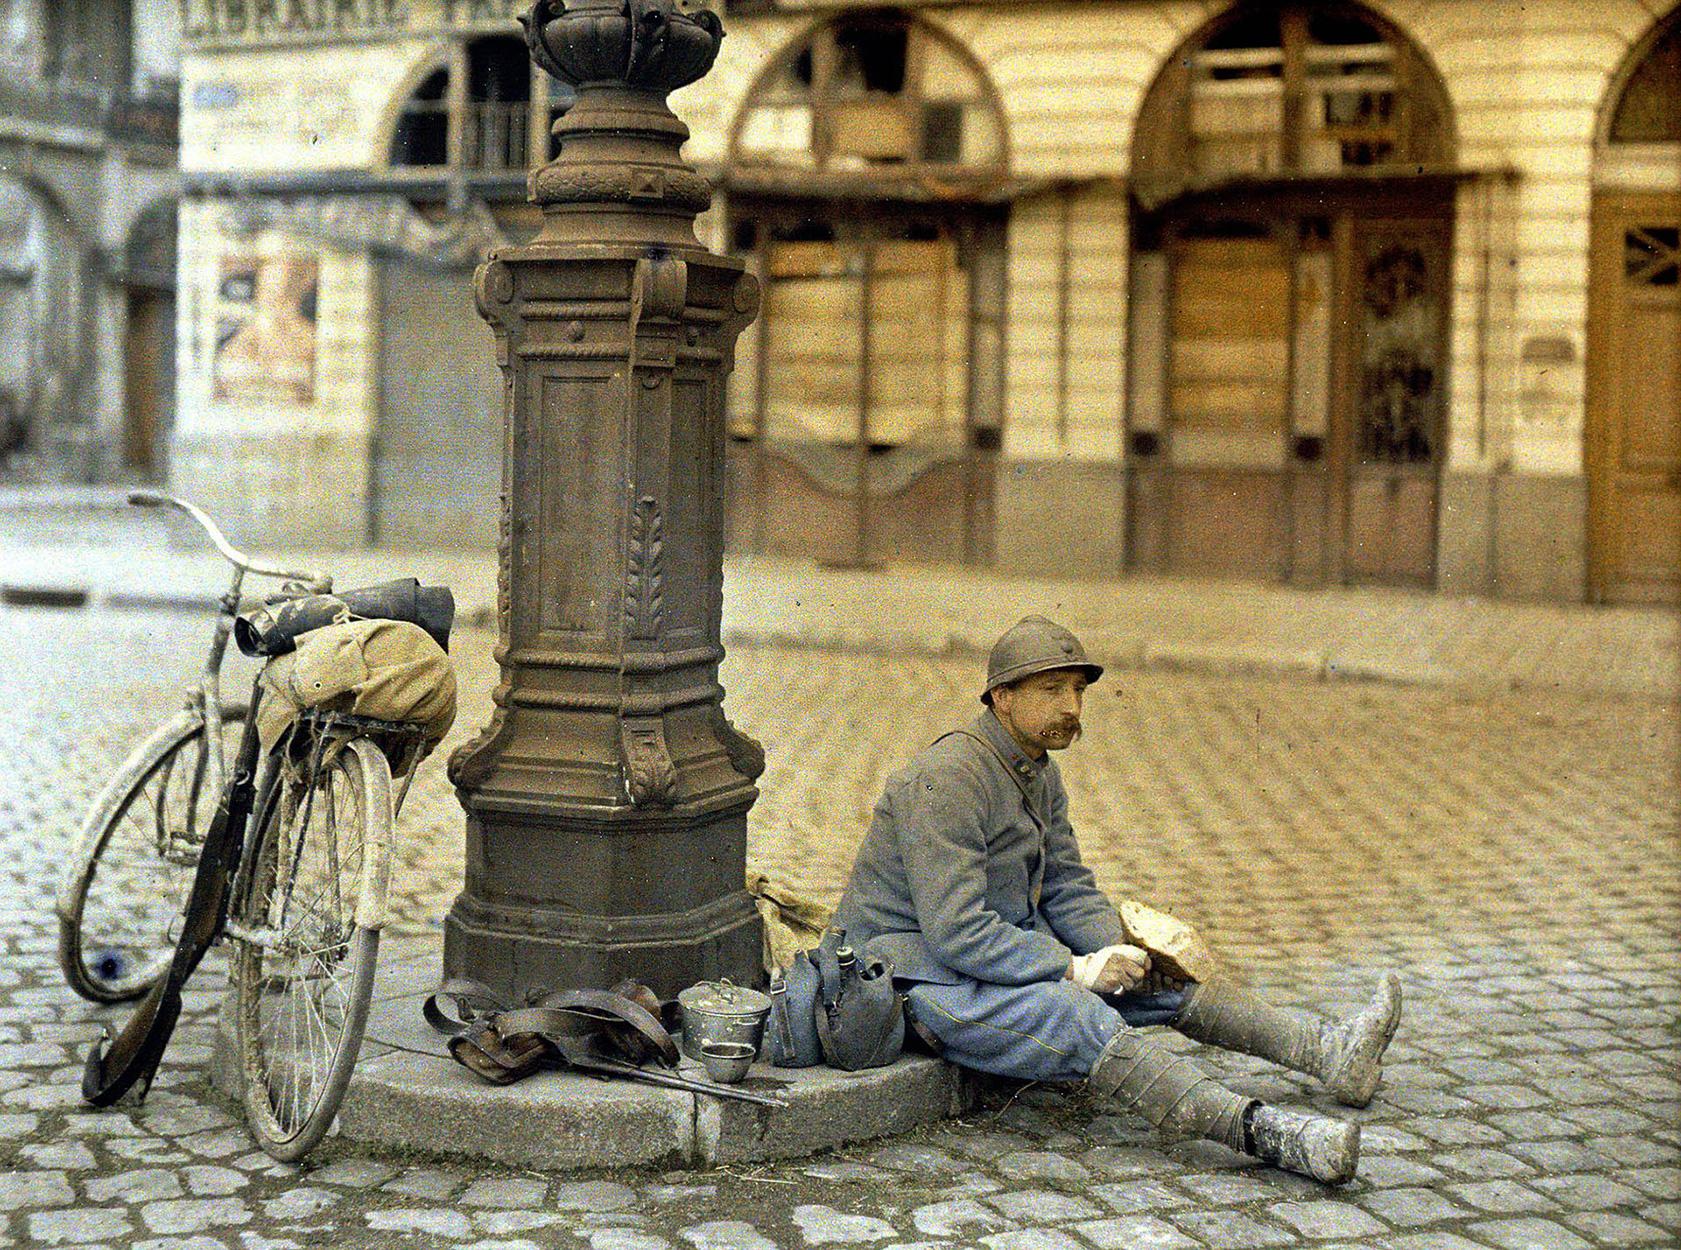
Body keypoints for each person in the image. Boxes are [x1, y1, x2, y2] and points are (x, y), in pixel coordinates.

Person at [831, 615, 1402, 1184]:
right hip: (910, 983)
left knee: (1162, 985)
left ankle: (1331, 1053)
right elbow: (956, 932)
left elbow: (1065, 885)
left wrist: (1124, 954)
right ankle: (1269, 1134)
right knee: (1078, 1015)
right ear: (1002, 698)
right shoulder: (949, 777)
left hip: (980, 965)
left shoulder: (1036, 770)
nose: (1072, 708)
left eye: (1078, 691)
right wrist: (1076, 969)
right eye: (1052, 690)